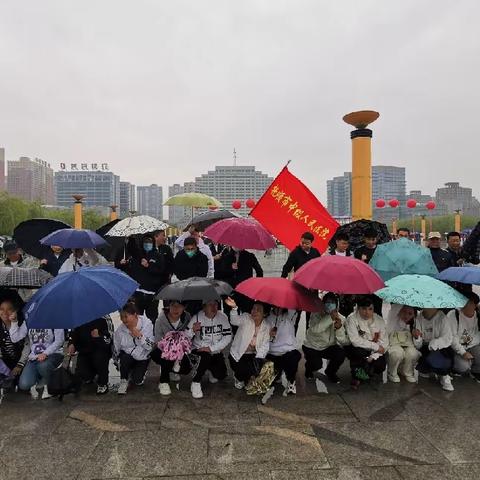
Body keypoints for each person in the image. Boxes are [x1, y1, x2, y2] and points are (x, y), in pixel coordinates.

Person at [188, 300, 232, 398]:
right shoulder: (197, 317)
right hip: (199, 350)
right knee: (205, 357)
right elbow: (186, 336)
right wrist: (192, 330)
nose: (213, 307)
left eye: (216, 304)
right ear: (204, 308)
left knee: (221, 375)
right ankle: (195, 382)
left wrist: (211, 348)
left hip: (215, 350)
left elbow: (228, 336)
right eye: (210, 304)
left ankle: (211, 369)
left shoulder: (223, 317)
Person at [302, 292, 349, 383]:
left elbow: (343, 341)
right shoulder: (315, 314)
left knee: (340, 354)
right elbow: (315, 329)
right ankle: (309, 368)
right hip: (312, 346)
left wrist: (338, 328)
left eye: (332, 302)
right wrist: (330, 318)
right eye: (327, 302)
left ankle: (330, 372)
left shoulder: (341, 318)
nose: (329, 305)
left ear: (336, 304)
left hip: (328, 347)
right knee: (316, 365)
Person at [225, 297, 271, 389]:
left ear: (265, 314)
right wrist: (234, 308)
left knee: (256, 372)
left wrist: (258, 360)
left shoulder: (267, 326)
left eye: (258, 310)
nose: (254, 311)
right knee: (243, 373)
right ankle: (238, 376)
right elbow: (234, 321)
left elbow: (265, 345)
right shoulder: (246, 317)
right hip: (238, 354)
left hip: (253, 355)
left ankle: (248, 376)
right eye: (253, 308)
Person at [11, 323, 65, 399]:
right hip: (34, 357)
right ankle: (40, 381)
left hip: (53, 354)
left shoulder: (54, 319)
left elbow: (60, 340)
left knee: (43, 366)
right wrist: (14, 322)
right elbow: (14, 338)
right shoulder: (30, 318)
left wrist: (45, 353)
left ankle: (50, 386)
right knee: (24, 385)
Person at [120, 235, 166, 323]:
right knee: (136, 318)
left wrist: (149, 266)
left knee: (152, 319)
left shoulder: (158, 256)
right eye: (145, 242)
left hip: (152, 294)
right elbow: (130, 271)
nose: (147, 244)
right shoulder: (137, 256)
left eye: (149, 242)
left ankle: (152, 335)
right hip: (138, 294)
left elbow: (161, 271)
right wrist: (124, 265)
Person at [281, 232, 321, 333]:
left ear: (312, 243)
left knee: (310, 315)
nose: (303, 245)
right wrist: (282, 280)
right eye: (302, 242)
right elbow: (287, 267)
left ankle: (309, 338)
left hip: (312, 288)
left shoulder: (315, 253)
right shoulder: (295, 253)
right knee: (296, 315)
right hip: (299, 287)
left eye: (307, 243)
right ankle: (292, 338)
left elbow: (320, 267)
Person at [345, 296, 388, 388]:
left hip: (374, 351)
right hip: (359, 348)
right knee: (358, 352)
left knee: (381, 366)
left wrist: (373, 356)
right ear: (358, 308)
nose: (367, 312)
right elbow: (355, 341)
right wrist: (375, 347)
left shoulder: (379, 320)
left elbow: (384, 342)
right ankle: (356, 375)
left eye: (370, 309)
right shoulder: (351, 319)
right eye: (363, 309)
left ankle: (367, 371)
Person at [151, 300, 192, 396]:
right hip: (162, 350)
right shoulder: (160, 320)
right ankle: (163, 382)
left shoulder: (187, 318)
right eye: (173, 305)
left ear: (184, 307)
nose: (176, 309)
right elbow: (157, 341)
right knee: (166, 359)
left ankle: (172, 369)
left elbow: (189, 338)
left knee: (186, 369)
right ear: (168, 306)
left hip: (181, 351)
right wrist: (171, 350)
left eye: (179, 306)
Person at [114, 303, 154, 395]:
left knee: (137, 381)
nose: (123, 320)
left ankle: (138, 372)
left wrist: (140, 336)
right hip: (128, 356)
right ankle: (124, 380)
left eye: (126, 316)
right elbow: (117, 348)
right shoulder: (120, 330)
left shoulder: (147, 324)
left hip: (142, 357)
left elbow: (150, 346)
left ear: (135, 314)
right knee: (124, 359)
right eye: (121, 317)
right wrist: (117, 362)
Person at [67, 316, 113, 394]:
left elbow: (109, 340)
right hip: (85, 352)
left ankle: (103, 382)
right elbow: (73, 334)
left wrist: (99, 337)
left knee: (99, 359)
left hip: (100, 351)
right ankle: (90, 375)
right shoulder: (78, 318)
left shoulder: (104, 318)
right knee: (83, 375)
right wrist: (71, 344)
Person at [413, 307, 454, 391]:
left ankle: (444, 375)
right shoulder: (419, 318)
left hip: (441, 347)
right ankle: (428, 368)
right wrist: (417, 337)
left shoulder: (443, 318)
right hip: (425, 347)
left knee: (442, 355)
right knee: (426, 364)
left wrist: (435, 343)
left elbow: (447, 338)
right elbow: (418, 345)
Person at [265, 307, 301, 394]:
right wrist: (269, 335)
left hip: (288, 352)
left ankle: (291, 381)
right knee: (271, 380)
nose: (278, 307)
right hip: (272, 353)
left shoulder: (290, 316)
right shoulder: (266, 318)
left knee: (293, 358)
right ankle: (278, 374)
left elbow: (293, 305)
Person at [447, 292, 480, 381]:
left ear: (475, 305)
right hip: (456, 348)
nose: (466, 305)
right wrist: (463, 352)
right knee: (463, 366)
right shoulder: (453, 314)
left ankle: (475, 371)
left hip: (472, 345)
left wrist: (469, 347)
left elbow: (477, 335)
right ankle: (456, 369)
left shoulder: (478, 315)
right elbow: (452, 338)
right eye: (465, 302)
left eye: (470, 303)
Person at [385, 304, 420, 383]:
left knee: (413, 353)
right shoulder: (392, 319)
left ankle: (407, 372)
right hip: (394, 346)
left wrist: (416, 337)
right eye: (404, 312)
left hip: (408, 346)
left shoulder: (415, 322)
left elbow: (418, 345)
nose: (406, 316)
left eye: (410, 314)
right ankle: (392, 372)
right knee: (397, 353)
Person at [0, 297, 29, 382]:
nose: (5, 312)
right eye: (1, 309)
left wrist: (20, 364)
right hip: (5, 361)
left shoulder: (23, 324)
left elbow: (28, 346)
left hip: (22, 360)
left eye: (9, 309)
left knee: (23, 384)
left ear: (15, 311)